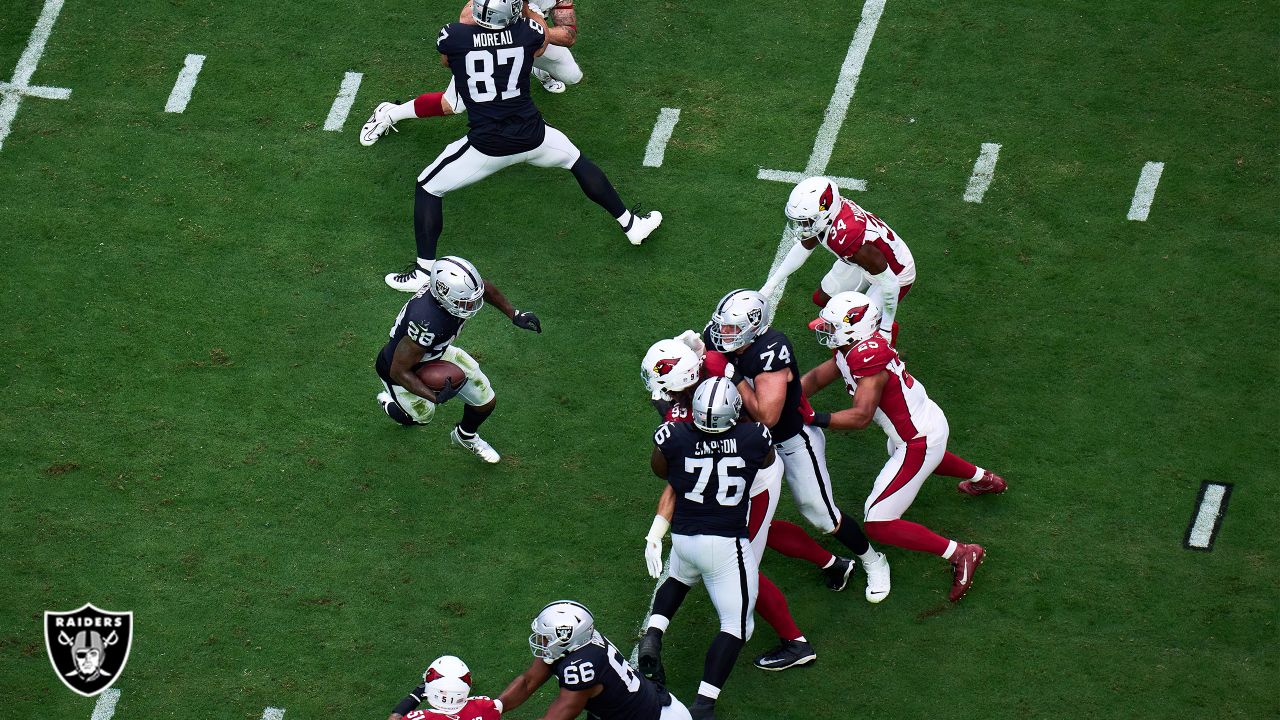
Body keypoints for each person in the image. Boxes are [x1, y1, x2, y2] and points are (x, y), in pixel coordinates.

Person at [372, 0, 659, 292]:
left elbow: (448, 60)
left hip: (488, 146)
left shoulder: (452, 36)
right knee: (576, 160)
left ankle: (423, 270)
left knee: (428, 186)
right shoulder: (529, 32)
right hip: (534, 136)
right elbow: (541, 40)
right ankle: (631, 224)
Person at [638, 336, 849, 673]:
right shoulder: (713, 377)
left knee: (743, 567)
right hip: (752, 467)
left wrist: (658, 526)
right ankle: (834, 564)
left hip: (749, 484)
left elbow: (677, 477)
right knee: (764, 530)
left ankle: (796, 643)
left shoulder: (684, 418)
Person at [803, 292, 1007, 602]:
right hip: (923, 425)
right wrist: (784, 396)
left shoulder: (865, 358)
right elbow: (818, 377)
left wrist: (812, 417)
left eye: (832, 327)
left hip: (918, 439)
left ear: (854, 329)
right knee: (909, 456)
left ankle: (961, 553)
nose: (826, 332)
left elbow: (860, 416)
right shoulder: (850, 350)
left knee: (878, 522)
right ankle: (983, 479)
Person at [705, 289, 893, 602]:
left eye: (731, 328)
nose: (722, 335)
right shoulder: (717, 339)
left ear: (754, 326)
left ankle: (874, 561)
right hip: (748, 445)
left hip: (788, 440)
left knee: (821, 513)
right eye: (722, 326)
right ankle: (834, 565)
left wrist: (732, 375)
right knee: (744, 515)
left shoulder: (770, 349)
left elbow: (767, 416)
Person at [640, 378, 774, 719]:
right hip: (726, 542)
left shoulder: (675, 436)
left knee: (679, 579)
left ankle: (653, 633)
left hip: (685, 538)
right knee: (737, 626)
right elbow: (767, 459)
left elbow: (661, 470)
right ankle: (704, 703)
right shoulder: (754, 436)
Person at [375, 255, 541, 463]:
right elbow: (398, 371)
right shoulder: (426, 322)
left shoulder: (451, 296)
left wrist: (514, 314)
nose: (471, 307)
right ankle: (390, 402)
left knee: (485, 400)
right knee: (422, 416)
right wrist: (435, 396)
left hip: (436, 352)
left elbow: (484, 289)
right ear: (444, 296)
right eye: (465, 302)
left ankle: (465, 436)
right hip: (401, 368)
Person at [360, 0, 582, 148]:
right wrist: (521, 28)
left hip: (531, 41)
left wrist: (532, 26)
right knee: (453, 105)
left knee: (572, 75)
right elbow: (466, 18)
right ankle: (388, 113)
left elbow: (569, 36)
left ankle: (534, 65)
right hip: (489, 47)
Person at [760, 177, 915, 344]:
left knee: (860, 326)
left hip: (895, 272)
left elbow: (890, 283)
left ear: (823, 213)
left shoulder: (850, 238)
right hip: (860, 263)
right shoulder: (827, 218)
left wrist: (886, 328)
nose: (801, 226)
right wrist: (769, 287)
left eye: (805, 221)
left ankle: (885, 332)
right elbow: (804, 246)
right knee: (822, 298)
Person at [497, 600, 692, 720]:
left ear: (564, 638)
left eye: (545, 637)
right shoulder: (576, 643)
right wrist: (493, 708)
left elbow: (555, 717)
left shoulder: (582, 667)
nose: (540, 641)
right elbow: (528, 681)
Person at [387, 655, 501, 720]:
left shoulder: (422, 718)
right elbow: (510, 698)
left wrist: (416, 695)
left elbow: (395, 718)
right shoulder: (483, 709)